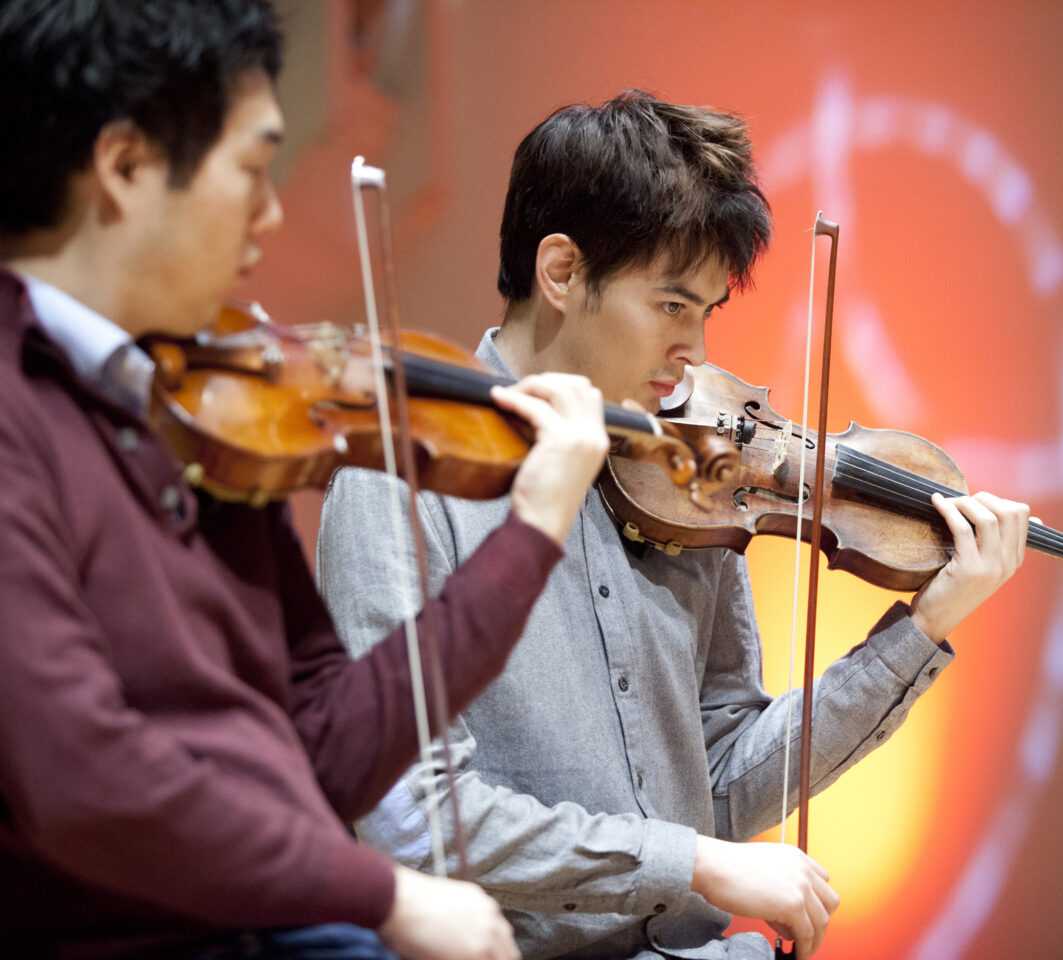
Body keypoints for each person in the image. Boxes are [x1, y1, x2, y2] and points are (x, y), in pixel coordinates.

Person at [317, 91, 1031, 960]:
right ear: (563, 272)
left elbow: (721, 782)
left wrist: (922, 628)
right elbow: (412, 814)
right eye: (670, 307)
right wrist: (687, 861)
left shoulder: (688, 474)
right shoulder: (400, 476)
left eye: (707, 312)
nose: (695, 352)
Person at [0, 2, 611, 958]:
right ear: (124, 169)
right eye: (252, 172)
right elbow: (80, 781)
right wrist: (382, 894)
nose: (275, 214)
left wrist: (530, 534)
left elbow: (326, 756)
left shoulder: (199, 408)